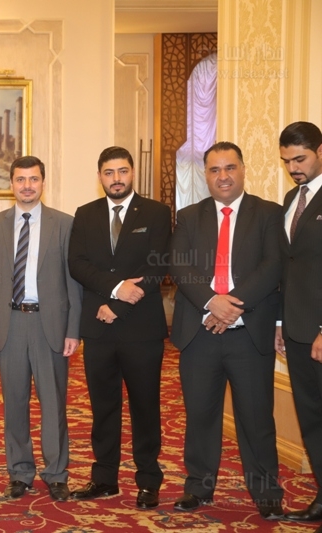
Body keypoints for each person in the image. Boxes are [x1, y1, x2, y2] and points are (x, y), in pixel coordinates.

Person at [170, 142, 284, 520]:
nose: (223, 176)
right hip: (200, 334)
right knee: (200, 416)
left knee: (256, 418)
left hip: (248, 334)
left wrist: (230, 305)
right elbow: (179, 265)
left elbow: (272, 266)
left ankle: (266, 491)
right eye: (215, 169)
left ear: (243, 169)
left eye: (230, 167)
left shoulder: (268, 213)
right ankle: (198, 487)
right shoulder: (189, 216)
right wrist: (211, 301)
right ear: (206, 174)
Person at [0, 155, 82, 501]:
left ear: (43, 183)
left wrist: (73, 329)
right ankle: (19, 472)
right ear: (11, 184)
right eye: (20, 179)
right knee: (14, 403)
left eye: (33, 179)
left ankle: (56, 473)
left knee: (54, 403)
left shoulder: (64, 224)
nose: (27, 186)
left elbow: (74, 283)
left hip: (51, 326)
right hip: (9, 325)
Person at [67, 146, 171, 508]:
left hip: (141, 329)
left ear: (132, 173)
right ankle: (104, 479)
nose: (116, 179)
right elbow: (77, 264)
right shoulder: (85, 214)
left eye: (122, 171)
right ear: (100, 176)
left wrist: (119, 305)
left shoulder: (156, 212)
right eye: (109, 172)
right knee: (103, 408)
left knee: (145, 407)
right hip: (98, 329)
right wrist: (115, 290)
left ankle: (148, 480)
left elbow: (158, 266)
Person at [275, 122, 322, 528]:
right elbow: (287, 267)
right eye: (287, 160)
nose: (293, 168)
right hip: (295, 331)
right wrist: (279, 321)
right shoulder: (292, 198)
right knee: (312, 418)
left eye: (300, 159)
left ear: (320, 152)